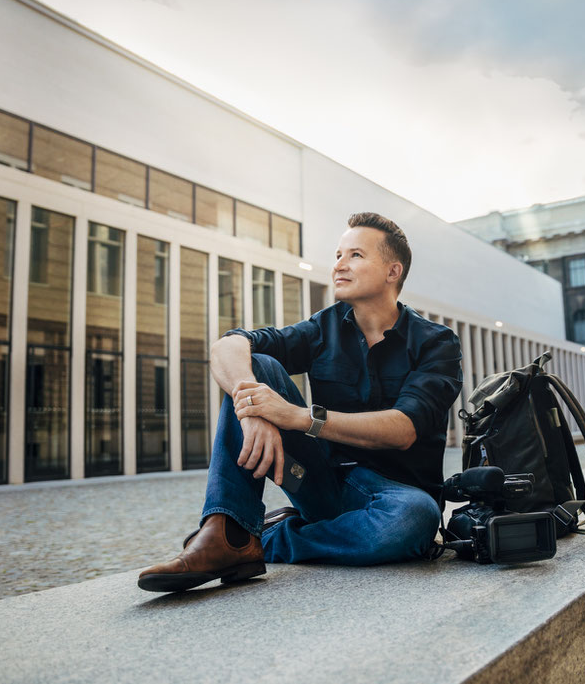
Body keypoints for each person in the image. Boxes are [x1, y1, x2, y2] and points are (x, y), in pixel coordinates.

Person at [138, 212, 463, 592]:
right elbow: (228, 345)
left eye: (355, 255)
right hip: (322, 482)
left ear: (393, 272)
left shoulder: (437, 343)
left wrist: (298, 416)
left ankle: (264, 541)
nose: (339, 265)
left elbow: (403, 429)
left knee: (415, 519)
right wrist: (252, 410)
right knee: (257, 365)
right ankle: (226, 530)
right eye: (338, 254)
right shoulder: (323, 328)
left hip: (398, 496)